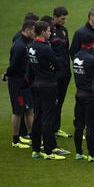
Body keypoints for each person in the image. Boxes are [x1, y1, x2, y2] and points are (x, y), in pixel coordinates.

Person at [26, 21, 65, 160]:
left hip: (36, 84)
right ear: (42, 32)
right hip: (48, 85)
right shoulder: (45, 48)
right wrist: (53, 70)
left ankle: (36, 149)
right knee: (47, 118)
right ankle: (49, 151)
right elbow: (57, 65)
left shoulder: (31, 47)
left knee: (37, 117)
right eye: (48, 31)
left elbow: (30, 69)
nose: (50, 33)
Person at [5, 20, 35, 149]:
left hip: (23, 82)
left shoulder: (25, 43)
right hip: (17, 83)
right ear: (27, 30)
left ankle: (32, 136)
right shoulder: (20, 45)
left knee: (29, 110)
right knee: (18, 111)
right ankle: (15, 140)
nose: (35, 33)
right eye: (34, 31)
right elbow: (14, 65)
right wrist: (7, 74)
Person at [72, 33, 94, 162]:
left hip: (79, 95)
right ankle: (92, 155)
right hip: (89, 96)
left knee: (79, 125)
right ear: (93, 43)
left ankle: (78, 152)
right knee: (90, 126)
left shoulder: (76, 56)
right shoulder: (92, 60)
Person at [50, 6, 72, 139]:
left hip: (65, 73)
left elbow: (66, 50)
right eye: (62, 19)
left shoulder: (64, 31)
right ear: (55, 17)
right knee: (53, 102)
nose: (64, 21)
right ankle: (49, 129)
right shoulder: (49, 31)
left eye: (65, 19)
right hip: (55, 75)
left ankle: (56, 128)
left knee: (60, 102)